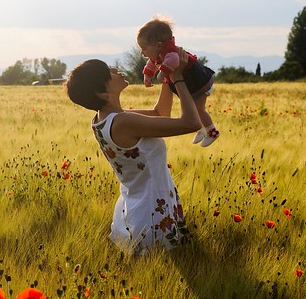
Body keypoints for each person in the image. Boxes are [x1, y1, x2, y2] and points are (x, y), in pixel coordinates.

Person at [65, 50, 199, 255]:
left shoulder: (104, 120)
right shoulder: (123, 122)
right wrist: (179, 78)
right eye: (108, 72)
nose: (114, 69)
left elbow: (159, 114)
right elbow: (191, 123)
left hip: (140, 206)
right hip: (153, 213)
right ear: (102, 93)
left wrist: (167, 74)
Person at [137, 16, 219, 147]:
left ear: (158, 46)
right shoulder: (158, 53)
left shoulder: (171, 52)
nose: (142, 52)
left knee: (198, 109)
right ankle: (201, 129)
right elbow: (151, 63)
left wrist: (162, 73)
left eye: (144, 48)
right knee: (191, 107)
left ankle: (212, 131)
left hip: (200, 82)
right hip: (191, 83)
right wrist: (147, 74)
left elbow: (173, 61)